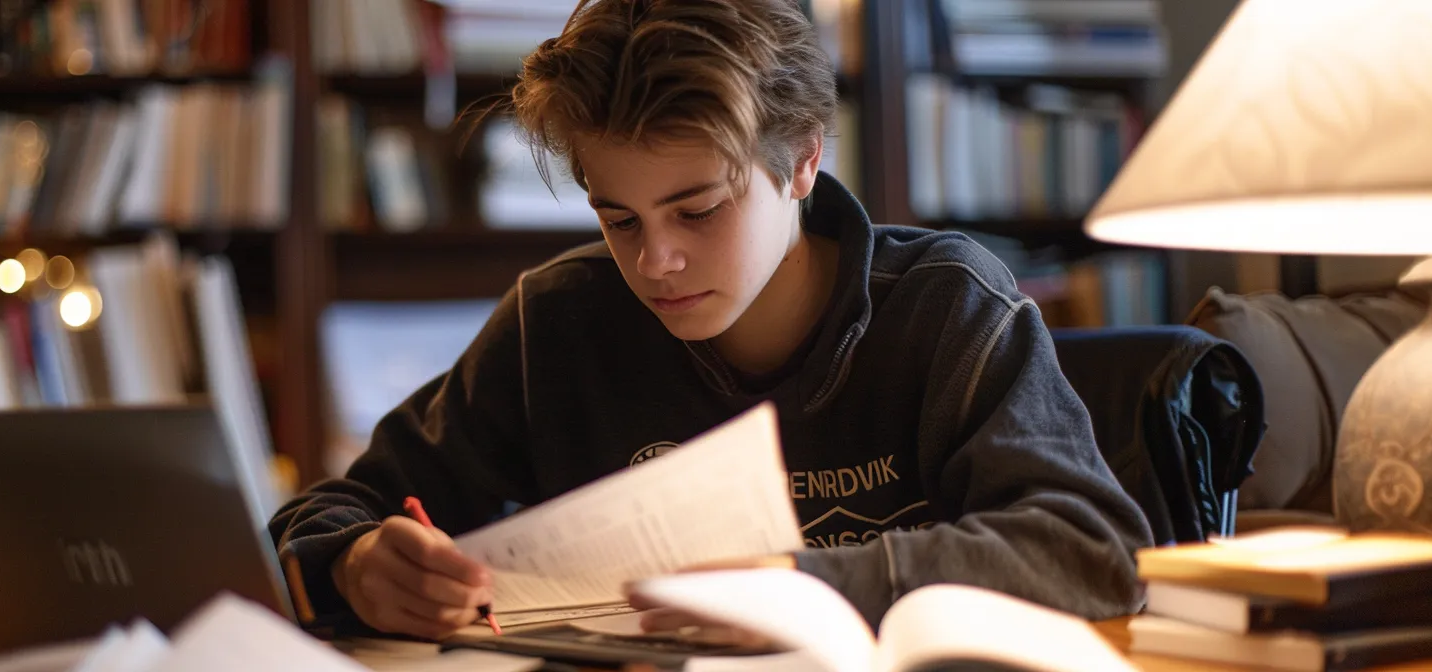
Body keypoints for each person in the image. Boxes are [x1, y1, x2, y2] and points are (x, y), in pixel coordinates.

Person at [270, 0, 1152, 641]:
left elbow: (1091, 547)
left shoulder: (948, 309)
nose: (655, 261)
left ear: (803, 157)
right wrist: (352, 561)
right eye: (618, 219)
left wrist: (801, 588)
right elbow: (326, 513)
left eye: (698, 210)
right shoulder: (558, 322)